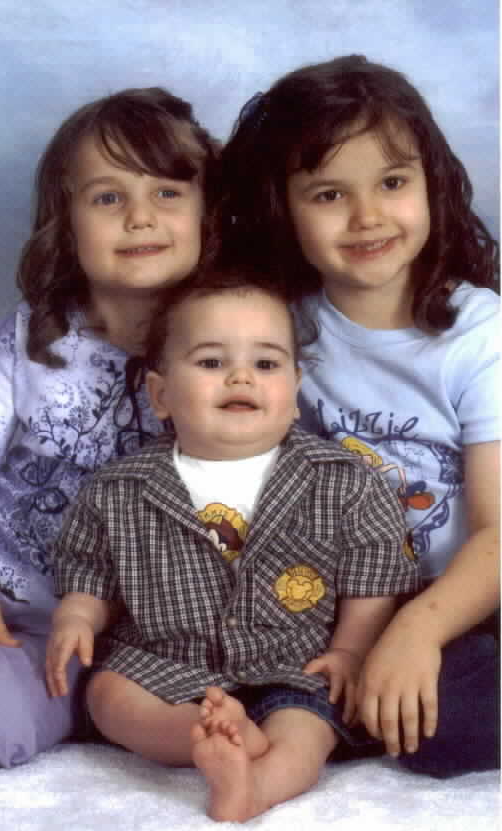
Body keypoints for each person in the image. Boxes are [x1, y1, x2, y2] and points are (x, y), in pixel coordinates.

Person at [46, 270, 420, 823]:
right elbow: (89, 571)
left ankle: (256, 783)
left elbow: (374, 579)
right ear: (161, 394)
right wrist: (77, 615)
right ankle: (200, 735)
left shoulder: (345, 482)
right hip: (166, 661)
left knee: (308, 729)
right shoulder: (119, 487)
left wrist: (350, 653)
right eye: (212, 362)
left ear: (295, 392)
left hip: (297, 665)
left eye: (266, 364)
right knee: (109, 696)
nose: (240, 376)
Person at [216, 54, 500, 777]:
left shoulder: (480, 336)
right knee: (252, 671)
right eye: (330, 193)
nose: (368, 216)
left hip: (470, 596)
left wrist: (417, 630)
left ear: (432, 183)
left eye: (393, 183)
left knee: (439, 727)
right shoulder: (280, 328)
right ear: (283, 207)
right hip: (348, 603)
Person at [0, 86, 219, 768]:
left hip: (160, 633)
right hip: (17, 613)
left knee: (225, 713)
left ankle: (95, 709)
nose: (139, 217)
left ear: (211, 212)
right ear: (67, 221)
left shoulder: (236, 337)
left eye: (168, 193)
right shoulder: (34, 339)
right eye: (107, 198)